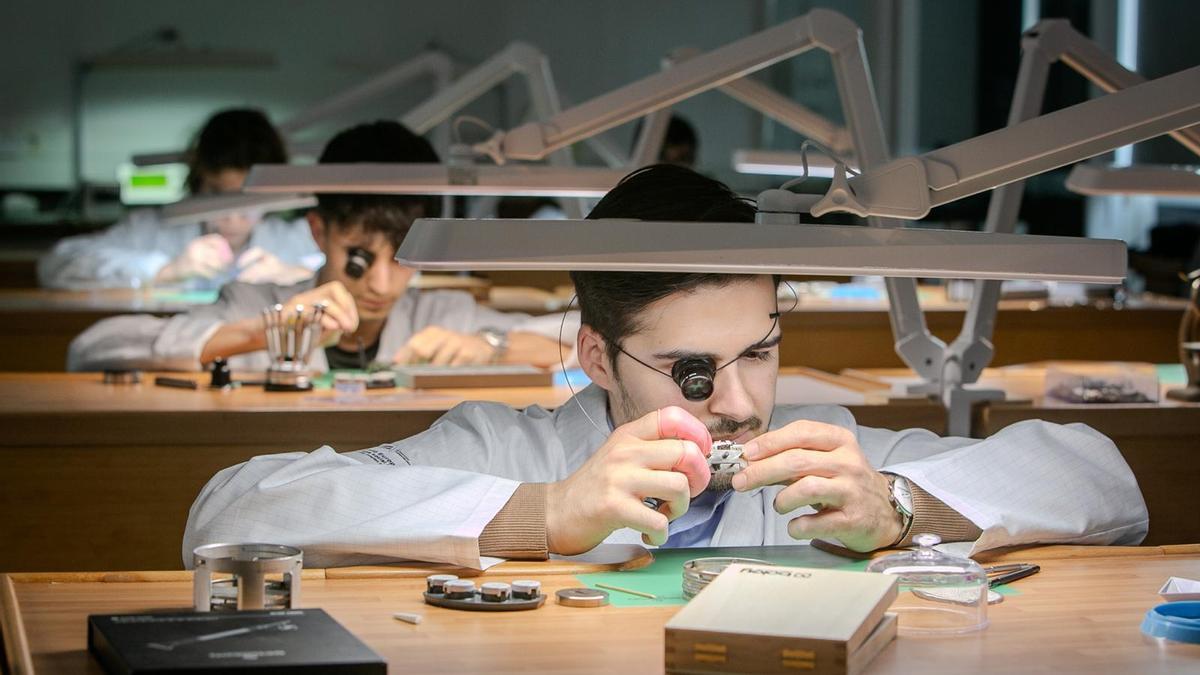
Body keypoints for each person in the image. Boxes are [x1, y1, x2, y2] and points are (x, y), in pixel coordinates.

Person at [182, 164, 1148, 569]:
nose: (737, 403)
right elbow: (227, 512)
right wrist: (543, 515)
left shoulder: (825, 454)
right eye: (692, 370)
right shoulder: (504, 450)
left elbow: (1104, 477)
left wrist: (899, 509)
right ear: (595, 354)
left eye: (760, 352)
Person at [67, 121, 574, 372]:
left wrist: (490, 347)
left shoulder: (445, 314)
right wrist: (258, 333)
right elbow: (90, 349)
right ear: (317, 232)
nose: (380, 284)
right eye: (359, 256)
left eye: (402, 259)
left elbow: (581, 341)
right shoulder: (254, 304)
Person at [38, 108, 320, 290]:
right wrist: (164, 270)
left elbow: (343, 277)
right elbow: (56, 264)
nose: (233, 216)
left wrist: (297, 274)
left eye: (247, 200)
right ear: (199, 182)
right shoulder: (156, 230)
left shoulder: (295, 239)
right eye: (218, 195)